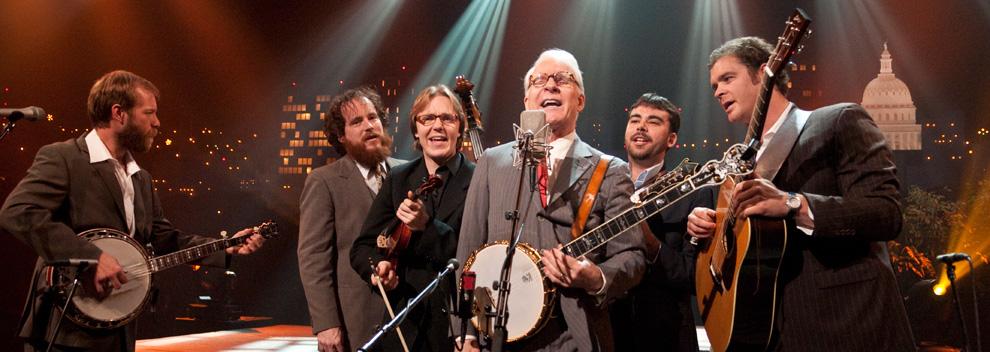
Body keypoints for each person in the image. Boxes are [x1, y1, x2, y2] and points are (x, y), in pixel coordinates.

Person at [0, 70, 266, 352]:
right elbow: (17, 212)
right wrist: (92, 256)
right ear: (119, 113)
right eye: (149, 113)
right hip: (64, 328)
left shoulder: (141, 178)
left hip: (117, 330)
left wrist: (226, 248)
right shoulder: (63, 158)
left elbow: (165, 239)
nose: (157, 122)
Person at [687, 36, 915, 351]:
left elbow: (885, 214)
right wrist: (710, 229)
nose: (718, 91)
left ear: (764, 74)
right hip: (775, 330)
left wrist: (794, 204)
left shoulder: (838, 121)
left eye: (727, 78)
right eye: (714, 86)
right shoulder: (743, 164)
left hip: (848, 323)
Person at [454, 49, 646, 352]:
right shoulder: (492, 162)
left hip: (575, 335)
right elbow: (468, 252)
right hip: (498, 336)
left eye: (562, 79)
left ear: (580, 100)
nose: (550, 85)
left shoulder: (610, 170)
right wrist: (464, 333)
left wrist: (594, 277)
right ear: (527, 101)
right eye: (538, 80)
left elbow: (632, 256)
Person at [350, 84, 474, 352]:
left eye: (447, 118)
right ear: (416, 129)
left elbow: (477, 253)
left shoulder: (478, 179)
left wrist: (426, 228)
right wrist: (378, 268)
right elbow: (363, 247)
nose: (437, 126)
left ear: (460, 128)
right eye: (427, 118)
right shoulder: (399, 179)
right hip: (404, 325)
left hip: (458, 329)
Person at [298, 87, 404, 352]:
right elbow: (313, 259)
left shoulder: (406, 172)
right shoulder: (324, 181)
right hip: (353, 322)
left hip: (406, 315)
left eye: (373, 117)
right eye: (357, 122)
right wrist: (326, 323)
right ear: (341, 136)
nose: (368, 126)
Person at [609, 93, 713, 351]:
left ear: (672, 139)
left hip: (666, 336)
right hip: (606, 332)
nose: (641, 127)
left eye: (654, 121)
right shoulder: (602, 186)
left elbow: (694, 277)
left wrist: (649, 240)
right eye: (635, 120)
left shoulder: (695, 192)